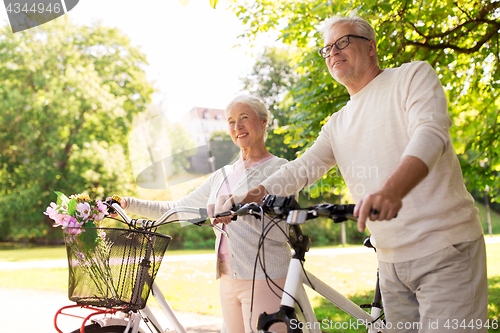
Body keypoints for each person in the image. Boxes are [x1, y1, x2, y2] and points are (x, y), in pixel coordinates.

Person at [224, 15, 487, 333]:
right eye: (327, 48)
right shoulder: (338, 123)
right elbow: (302, 168)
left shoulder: (411, 77)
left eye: (343, 42)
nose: (333, 51)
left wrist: (392, 191)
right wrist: (253, 193)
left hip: (444, 250)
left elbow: (430, 134)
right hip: (389, 261)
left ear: (371, 47)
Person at [112, 95, 289, 333]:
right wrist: (126, 203)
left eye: (244, 118)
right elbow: (178, 209)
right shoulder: (222, 175)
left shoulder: (279, 168)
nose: (237, 127)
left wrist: (236, 206)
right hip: (227, 276)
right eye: (231, 121)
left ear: (264, 121)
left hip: (264, 274)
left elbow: (280, 219)